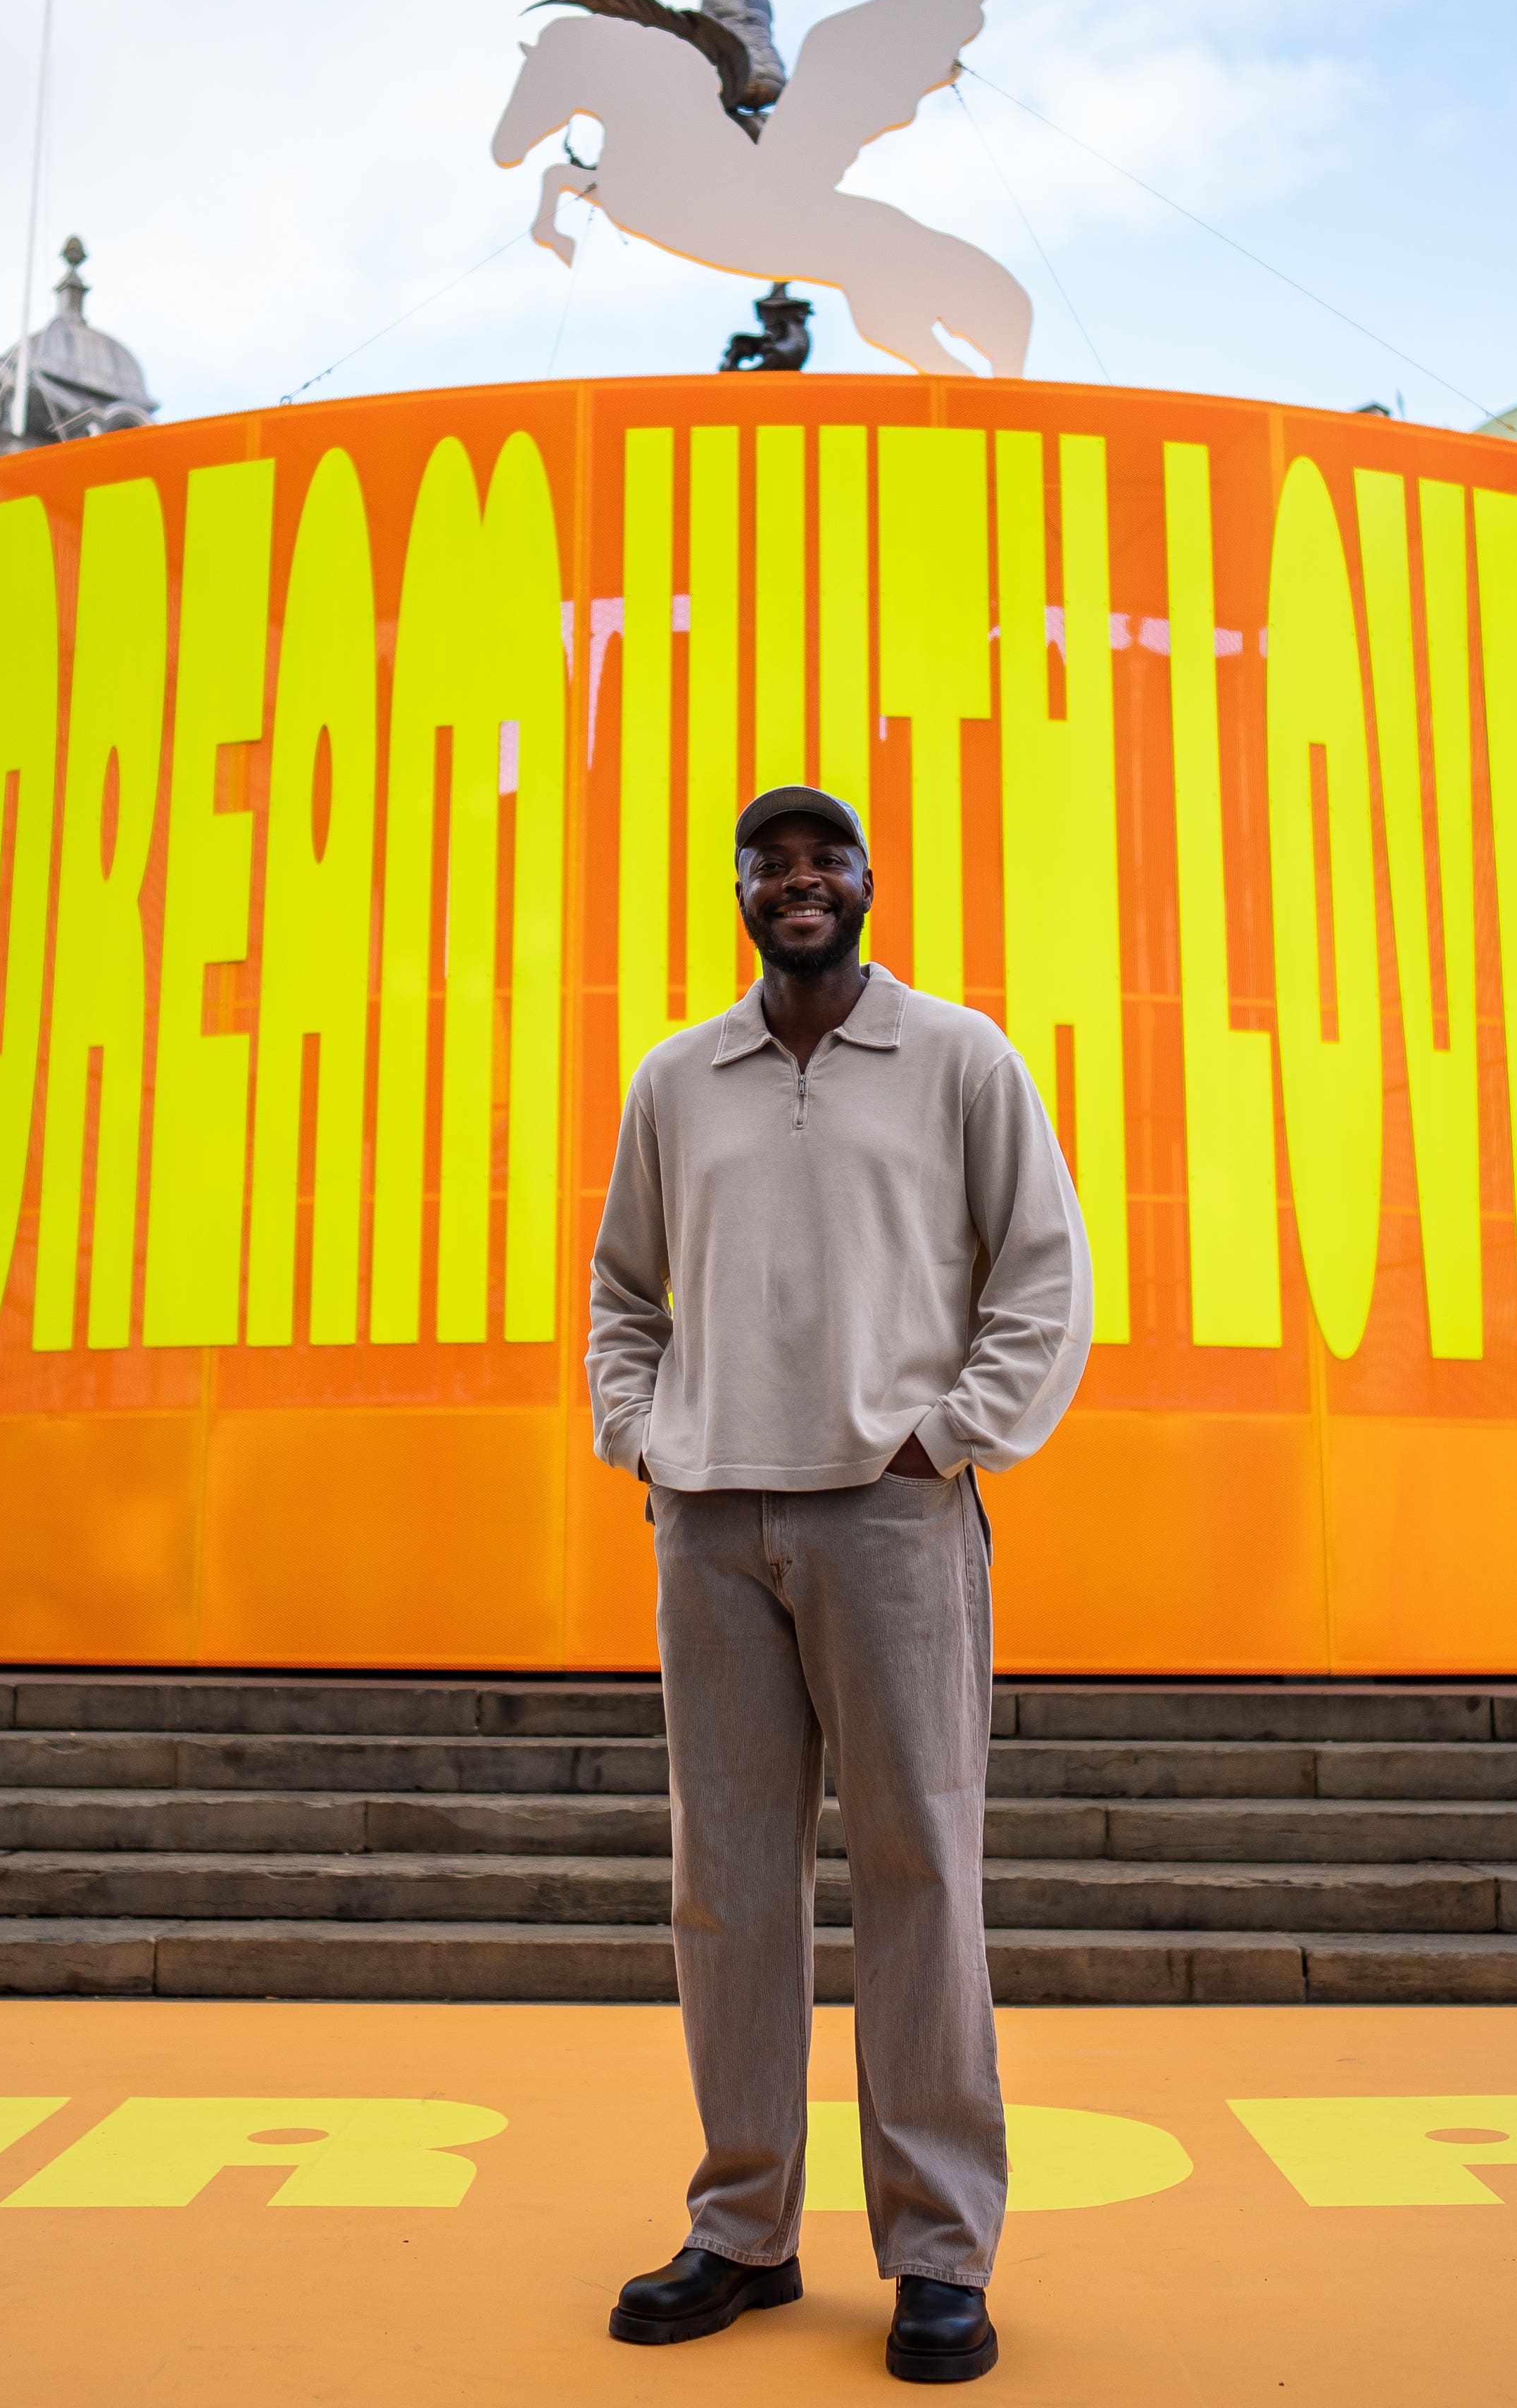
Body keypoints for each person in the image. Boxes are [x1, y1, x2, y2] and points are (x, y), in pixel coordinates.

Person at [588, 784, 1092, 2388]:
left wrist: (949, 1437)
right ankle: (743, 2226)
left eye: (824, 862)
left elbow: (1043, 1270)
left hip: (892, 1521)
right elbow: (621, 1286)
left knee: (920, 1875)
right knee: (723, 1885)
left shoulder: (959, 1057)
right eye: (770, 864)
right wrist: (641, 1434)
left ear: (867, 883)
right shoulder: (678, 1077)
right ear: (740, 892)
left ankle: (939, 2253)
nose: (797, 884)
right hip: (714, 1522)